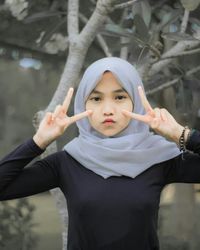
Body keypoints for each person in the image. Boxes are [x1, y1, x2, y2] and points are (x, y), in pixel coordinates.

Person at [0, 57, 200, 250]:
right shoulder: (67, 162)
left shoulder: (158, 158)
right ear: (82, 104)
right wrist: (38, 142)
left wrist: (181, 134)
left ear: (137, 102)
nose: (107, 110)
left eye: (120, 97)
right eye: (96, 98)